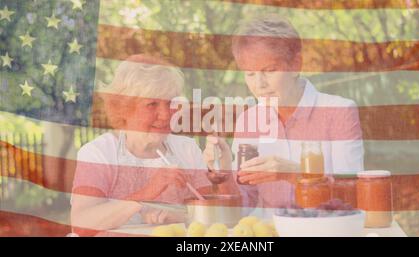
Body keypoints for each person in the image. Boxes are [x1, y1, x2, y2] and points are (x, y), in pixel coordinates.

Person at [203, 14, 364, 209]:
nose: (259, 85)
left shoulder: (339, 112)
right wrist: (224, 172)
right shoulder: (249, 120)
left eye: (270, 70)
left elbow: (351, 194)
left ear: (296, 65)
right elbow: (242, 207)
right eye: (250, 74)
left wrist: (295, 174)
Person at [70, 54, 234, 235]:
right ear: (124, 107)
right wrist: (146, 194)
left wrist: (179, 216)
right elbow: (82, 224)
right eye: (152, 104)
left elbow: (209, 216)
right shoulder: (98, 153)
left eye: (170, 102)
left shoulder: (186, 149)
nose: (165, 115)